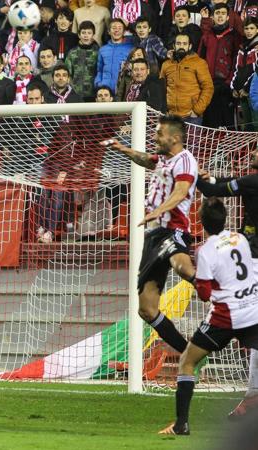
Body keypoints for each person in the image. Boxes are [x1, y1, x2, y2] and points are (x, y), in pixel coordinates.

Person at [159, 197, 258, 435]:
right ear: (226, 219)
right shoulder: (241, 238)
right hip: (252, 312)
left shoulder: (205, 251)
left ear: (201, 223)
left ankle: (181, 424)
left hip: (224, 318)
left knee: (187, 362)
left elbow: (203, 294)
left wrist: (186, 272)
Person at [103, 115, 198, 355]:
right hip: (154, 235)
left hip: (173, 229)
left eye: (159, 133)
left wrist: (156, 211)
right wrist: (122, 148)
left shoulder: (185, 160)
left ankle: (225, 292)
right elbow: (145, 159)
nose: (155, 137)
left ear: (175, 138)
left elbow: (180, 192)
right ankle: (188, 353)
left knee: (183, 267)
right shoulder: (165, 159)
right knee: (146, 309)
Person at [196, 149, 258, 419]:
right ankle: (251, 397)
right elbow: (233, 181)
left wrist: (196, 179)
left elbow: (218, 189)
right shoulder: (251, 181)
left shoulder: (253, 182)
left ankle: (252, 398)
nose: (254, 151)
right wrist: (215, 178)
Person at [160, 32, 213, 124]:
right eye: (178, 43)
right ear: (174, 45)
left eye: (184, 44)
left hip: (192, 117)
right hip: (171, 117)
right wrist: (164, 110)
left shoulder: (199, 63)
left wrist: (197, 111)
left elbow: (208, 88)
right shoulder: (166, 65)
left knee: (192, 139)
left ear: (190, 46)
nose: (181, 46)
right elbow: (161, 89)